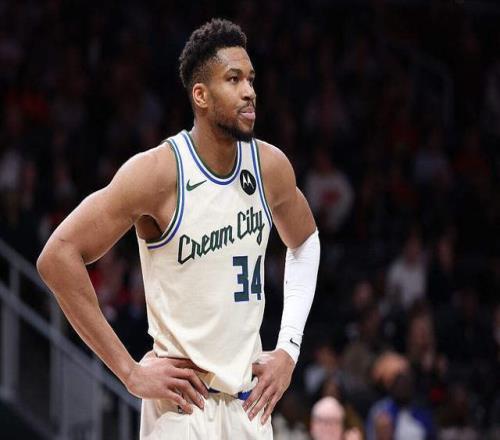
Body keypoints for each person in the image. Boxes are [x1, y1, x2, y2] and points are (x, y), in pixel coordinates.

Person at [36, 18, 320, 439]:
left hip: (249, 406)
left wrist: (289, 349)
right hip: (183, 409)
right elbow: (57, 256)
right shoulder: (158, 172)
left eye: (251, 79)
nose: (249, 91)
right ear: (200, 95)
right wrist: (129, 372)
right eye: (234, 79)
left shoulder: (270, 166)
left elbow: (306, 242)